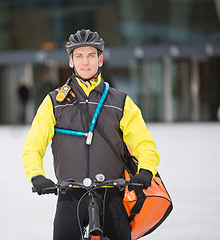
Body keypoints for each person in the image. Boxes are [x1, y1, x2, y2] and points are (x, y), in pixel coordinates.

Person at [22, 29, 159, 240]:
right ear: (71, 61)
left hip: (111, 193)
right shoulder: (54, 102)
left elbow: (143, 142)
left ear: (100, 59)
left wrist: (147, 170)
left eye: (91, 55)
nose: (85, 62)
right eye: (79, 56)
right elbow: (33, 145)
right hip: (70, 195)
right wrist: (37, 175)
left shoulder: (120, 101)